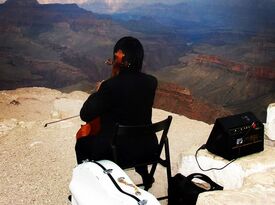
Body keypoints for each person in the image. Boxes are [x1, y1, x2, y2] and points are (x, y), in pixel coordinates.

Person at [75, 36, 158, 189]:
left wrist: (98, 91)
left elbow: (85, 114)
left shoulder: (109, 87)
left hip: (117, 152)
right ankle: (145, 174)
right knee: (135, 126)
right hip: (148, 148)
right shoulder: (151, 82)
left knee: (81, 143)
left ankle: (88, 186)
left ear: (117, 59)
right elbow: (131, 103)